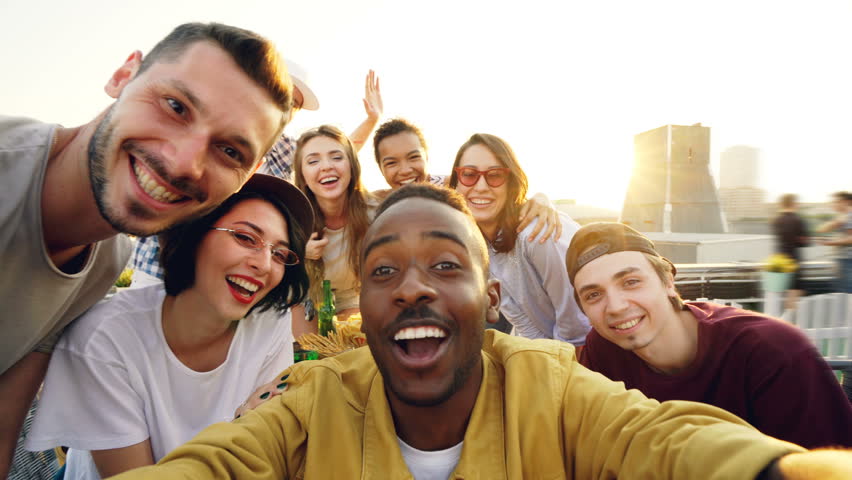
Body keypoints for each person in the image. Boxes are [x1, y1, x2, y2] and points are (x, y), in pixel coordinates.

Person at [110, 184, 852, 480]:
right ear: (360, 310)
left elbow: (657, 438)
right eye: (383, 273)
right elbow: (224, 462)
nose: (414, 288)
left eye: (443, 264)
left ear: (490, 295)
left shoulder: (553, 383)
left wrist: (779, 472)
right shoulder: (314, 396)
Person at [0, 22, 293, 477]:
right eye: (175, 106)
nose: (184, 163)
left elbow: (4, 422)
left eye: (230, 151)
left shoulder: (104, 259)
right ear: (123, 75)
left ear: (248, 172)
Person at [24, 174, 313, 479]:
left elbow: (270, 453)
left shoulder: (272, 322)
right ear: (194, 233)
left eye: (279, 254)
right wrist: (242, 427)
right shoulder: (105, 336)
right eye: (244, 238)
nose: (265, 264)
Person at [567, 222, 852, 448]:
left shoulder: (772, 351)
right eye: (593, 295)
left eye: (631, 282)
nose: (615, 307)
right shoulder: (602, 350)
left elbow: (828, 466)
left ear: (668, 281)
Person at [128, 68, 384, 287]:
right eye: (280, 93)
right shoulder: (215, 128)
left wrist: (371, 120)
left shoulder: (281, 149)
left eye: (293, 104)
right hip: (158, 271)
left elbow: (327, 156)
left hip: (224, 280)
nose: (285, 107)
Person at [449, 133, 590, 346]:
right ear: (455, 184)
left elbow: (577, 327)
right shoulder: (480, 244)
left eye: (495, 175)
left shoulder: (538, 233)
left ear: (510, 182)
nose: (480, 186)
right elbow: (526, 325)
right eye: (469, 174)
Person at [372, 117, 562, 243]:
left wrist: (541, 199)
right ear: (380, 168)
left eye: (414, 157)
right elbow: (345, 172)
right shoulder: (378, 203)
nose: (405, 170)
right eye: (391, 163)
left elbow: (501, 192)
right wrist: (371, 120)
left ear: (427, 157)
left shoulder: (450, 188)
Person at [292, 125, 377, 327]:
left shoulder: (375, 213)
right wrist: (298, 253)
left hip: (354, 300)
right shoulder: (291, 218)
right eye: (313, 161)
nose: (326, 166)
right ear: (302, 174)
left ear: (352, 165)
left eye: (337, 157)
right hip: (305, 301)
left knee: (351, 349)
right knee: (312, 355)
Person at [771, 194, 810, 309]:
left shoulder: (776, 220)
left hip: (778, 261)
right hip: (793, 261)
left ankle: (780, 321)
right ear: (794, 204)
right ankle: (790, 323)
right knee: (794, 293)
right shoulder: (797, 220)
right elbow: (804, 241)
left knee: (779, 293)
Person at [816, 191, 852, 293]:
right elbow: (821, 229)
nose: (833, 204)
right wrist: (836, 222)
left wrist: (831, 243)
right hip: (842, 259)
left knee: (846, 293)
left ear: (847, 202)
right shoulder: (842, 216)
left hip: (848, 260)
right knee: (841, 292)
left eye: (836, 201)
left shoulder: (850, 215)